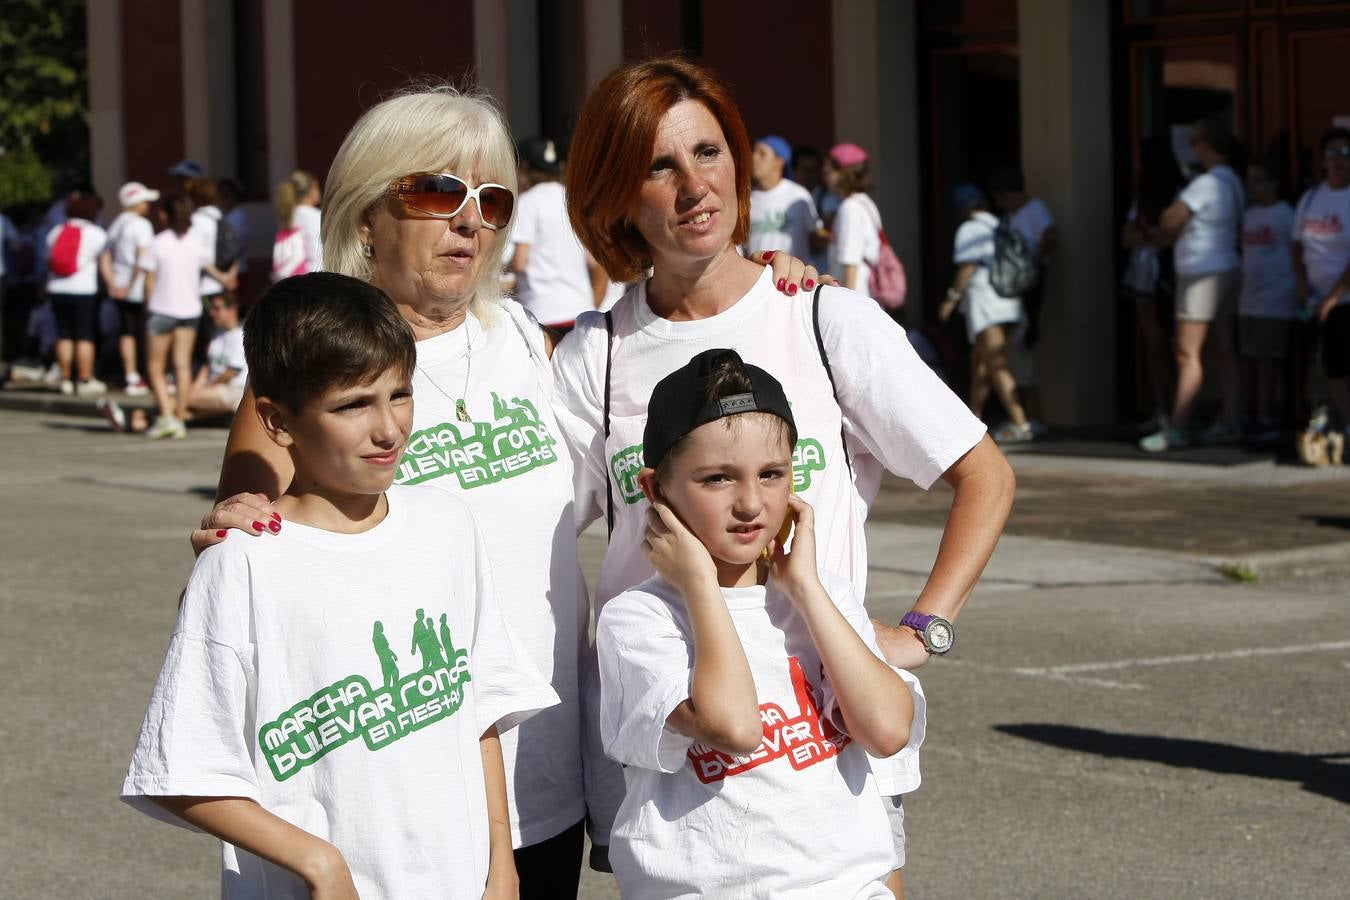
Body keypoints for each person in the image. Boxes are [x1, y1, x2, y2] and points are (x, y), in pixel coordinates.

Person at [557, 56, 1013, 896]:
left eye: (709, 152)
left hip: (825, 758)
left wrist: (923, 629)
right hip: (674, 751)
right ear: (614, 193)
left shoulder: (820, 315)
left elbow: (983, 472)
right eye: (660, 165)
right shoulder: (598, 353)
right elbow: (528, 522)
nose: (695, 186)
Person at [121, 271, 557, 898]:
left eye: (399, 394)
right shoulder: (244, 562)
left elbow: (479, 712)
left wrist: (502, 866)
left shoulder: (447, 525)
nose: (389, 429)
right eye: (353, 405)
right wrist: (318, 863)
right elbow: (182, 770)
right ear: (275, 420)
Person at [597, 348, 919, 897]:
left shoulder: (824, 599)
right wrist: (701, 586)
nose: (751, 503)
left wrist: (807, 590)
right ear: (655, 490)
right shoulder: (638, 619)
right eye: (718, 479)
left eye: (771, 474)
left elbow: (888, 731)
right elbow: (735, 728)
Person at [1142, 117, 1246, 451]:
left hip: (1202, 272)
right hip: (1227, 267)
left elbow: (1172, 217)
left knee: (1187, 351)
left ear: (1205, 146)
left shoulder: (1207, 183)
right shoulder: (1233, 182)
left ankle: (1178, 426)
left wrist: (1162, 225)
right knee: (1224, 348)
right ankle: (1231, 420)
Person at [939, 183, 1032, 443]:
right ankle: (974, 418)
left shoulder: (970, 228)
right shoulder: (1000, 223)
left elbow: (967, 267)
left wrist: (951, 299)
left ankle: (1020, 422)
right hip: (1008, 299)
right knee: (979, 360)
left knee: (995, 362)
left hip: (986, 302)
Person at [141, 194, 229, 439]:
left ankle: (167, 415)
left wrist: (147, 308)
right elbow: (214, 272)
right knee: (182, 364)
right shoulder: (195, 244)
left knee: (155, 367)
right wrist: (226, 277)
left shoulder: (157, 243)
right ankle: (179, 415)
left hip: (161, 309)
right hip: (190, 310)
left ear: (165, 215)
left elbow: (148, 283)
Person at [1121, 138, 1184, 433]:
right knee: (1154, 344)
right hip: (1144, 276)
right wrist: (1151, 234)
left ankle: (1178, 412)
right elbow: (1127, 237)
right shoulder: (1141, 198)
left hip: (1171, 274)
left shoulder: (1179, 194)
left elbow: (1170, 236)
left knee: (1176, 345)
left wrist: (1150, 234)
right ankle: (1162, 407)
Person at [509, 137, 605, 331]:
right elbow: (595, 263)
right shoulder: (573, 202)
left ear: (525, 168)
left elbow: (520, 263)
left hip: (542, 313)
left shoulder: (527, 202)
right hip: (581, 312)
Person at [1292, 127, 1350, 441]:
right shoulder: (1311, 197)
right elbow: (1297, 245)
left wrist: (1334, 296)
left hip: (1343, 300)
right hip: (1317, 301)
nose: (1339, 161)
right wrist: (1301, 281)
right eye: (1333, 153)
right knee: (1333, 367)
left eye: (1345, 154)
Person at [1238, 158, 1298, 442]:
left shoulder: (1286, 215)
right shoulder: (1249, 214)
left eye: (1258, 179)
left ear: (1274, 183)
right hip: (1248, 298)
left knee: (1266, 361)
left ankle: (1266, 416)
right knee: (1248, 359)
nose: (1251, 185)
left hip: (1275, 299)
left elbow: (1299, 254)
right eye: (1249, 178)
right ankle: (1247, 414)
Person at [44, 186, 108, 396]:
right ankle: (84, 378)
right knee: (84, 335)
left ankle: (65, 378)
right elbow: (104, 265)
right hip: (83, 289)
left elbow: (48, 261)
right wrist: (113, 285)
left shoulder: (55, 231)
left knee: (64, 334)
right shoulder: (96, 234)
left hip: (57, 288)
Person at [99, 181, 159, 395]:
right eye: (145, 201)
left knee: (126, 331)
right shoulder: (141, 225)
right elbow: (144, 260)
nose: (148, 206)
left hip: (119, 287)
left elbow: (104, 257)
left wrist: (112, 283)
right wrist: (131, 285)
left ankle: (131, 374)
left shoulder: (116, 224)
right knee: (143, 330)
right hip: (137, 289)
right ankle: (149, 374)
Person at [989, 166, 1057, 349]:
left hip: (1028, 283)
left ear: (1006, 193)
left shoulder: (1035, 208)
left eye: (998, 198)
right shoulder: (1013, 215)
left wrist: (1032, 264)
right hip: (1013, 284)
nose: (999, 204)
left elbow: (1050, 236)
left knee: (1025, 334)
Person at [747, 134, 819, 262]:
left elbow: (815, 239)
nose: (754, 158)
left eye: (762, 154)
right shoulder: (746, 199)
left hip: (795, 278)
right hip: (759, 278)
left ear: (779, 161)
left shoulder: (798, 195)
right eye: (754, 152)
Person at [824, 142, 883, 293]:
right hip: (866, 292)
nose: (825, 176)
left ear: (843, 173)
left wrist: (847, 301)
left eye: (829, 171)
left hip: (857, 292)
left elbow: (850, 261)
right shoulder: (865, 203)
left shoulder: (850, 208)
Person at [272, 169, 323, 281]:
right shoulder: (316, 216)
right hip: (313, 278)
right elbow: (317, 253)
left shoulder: (288, 214)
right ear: (311, 190)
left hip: (291, 279)